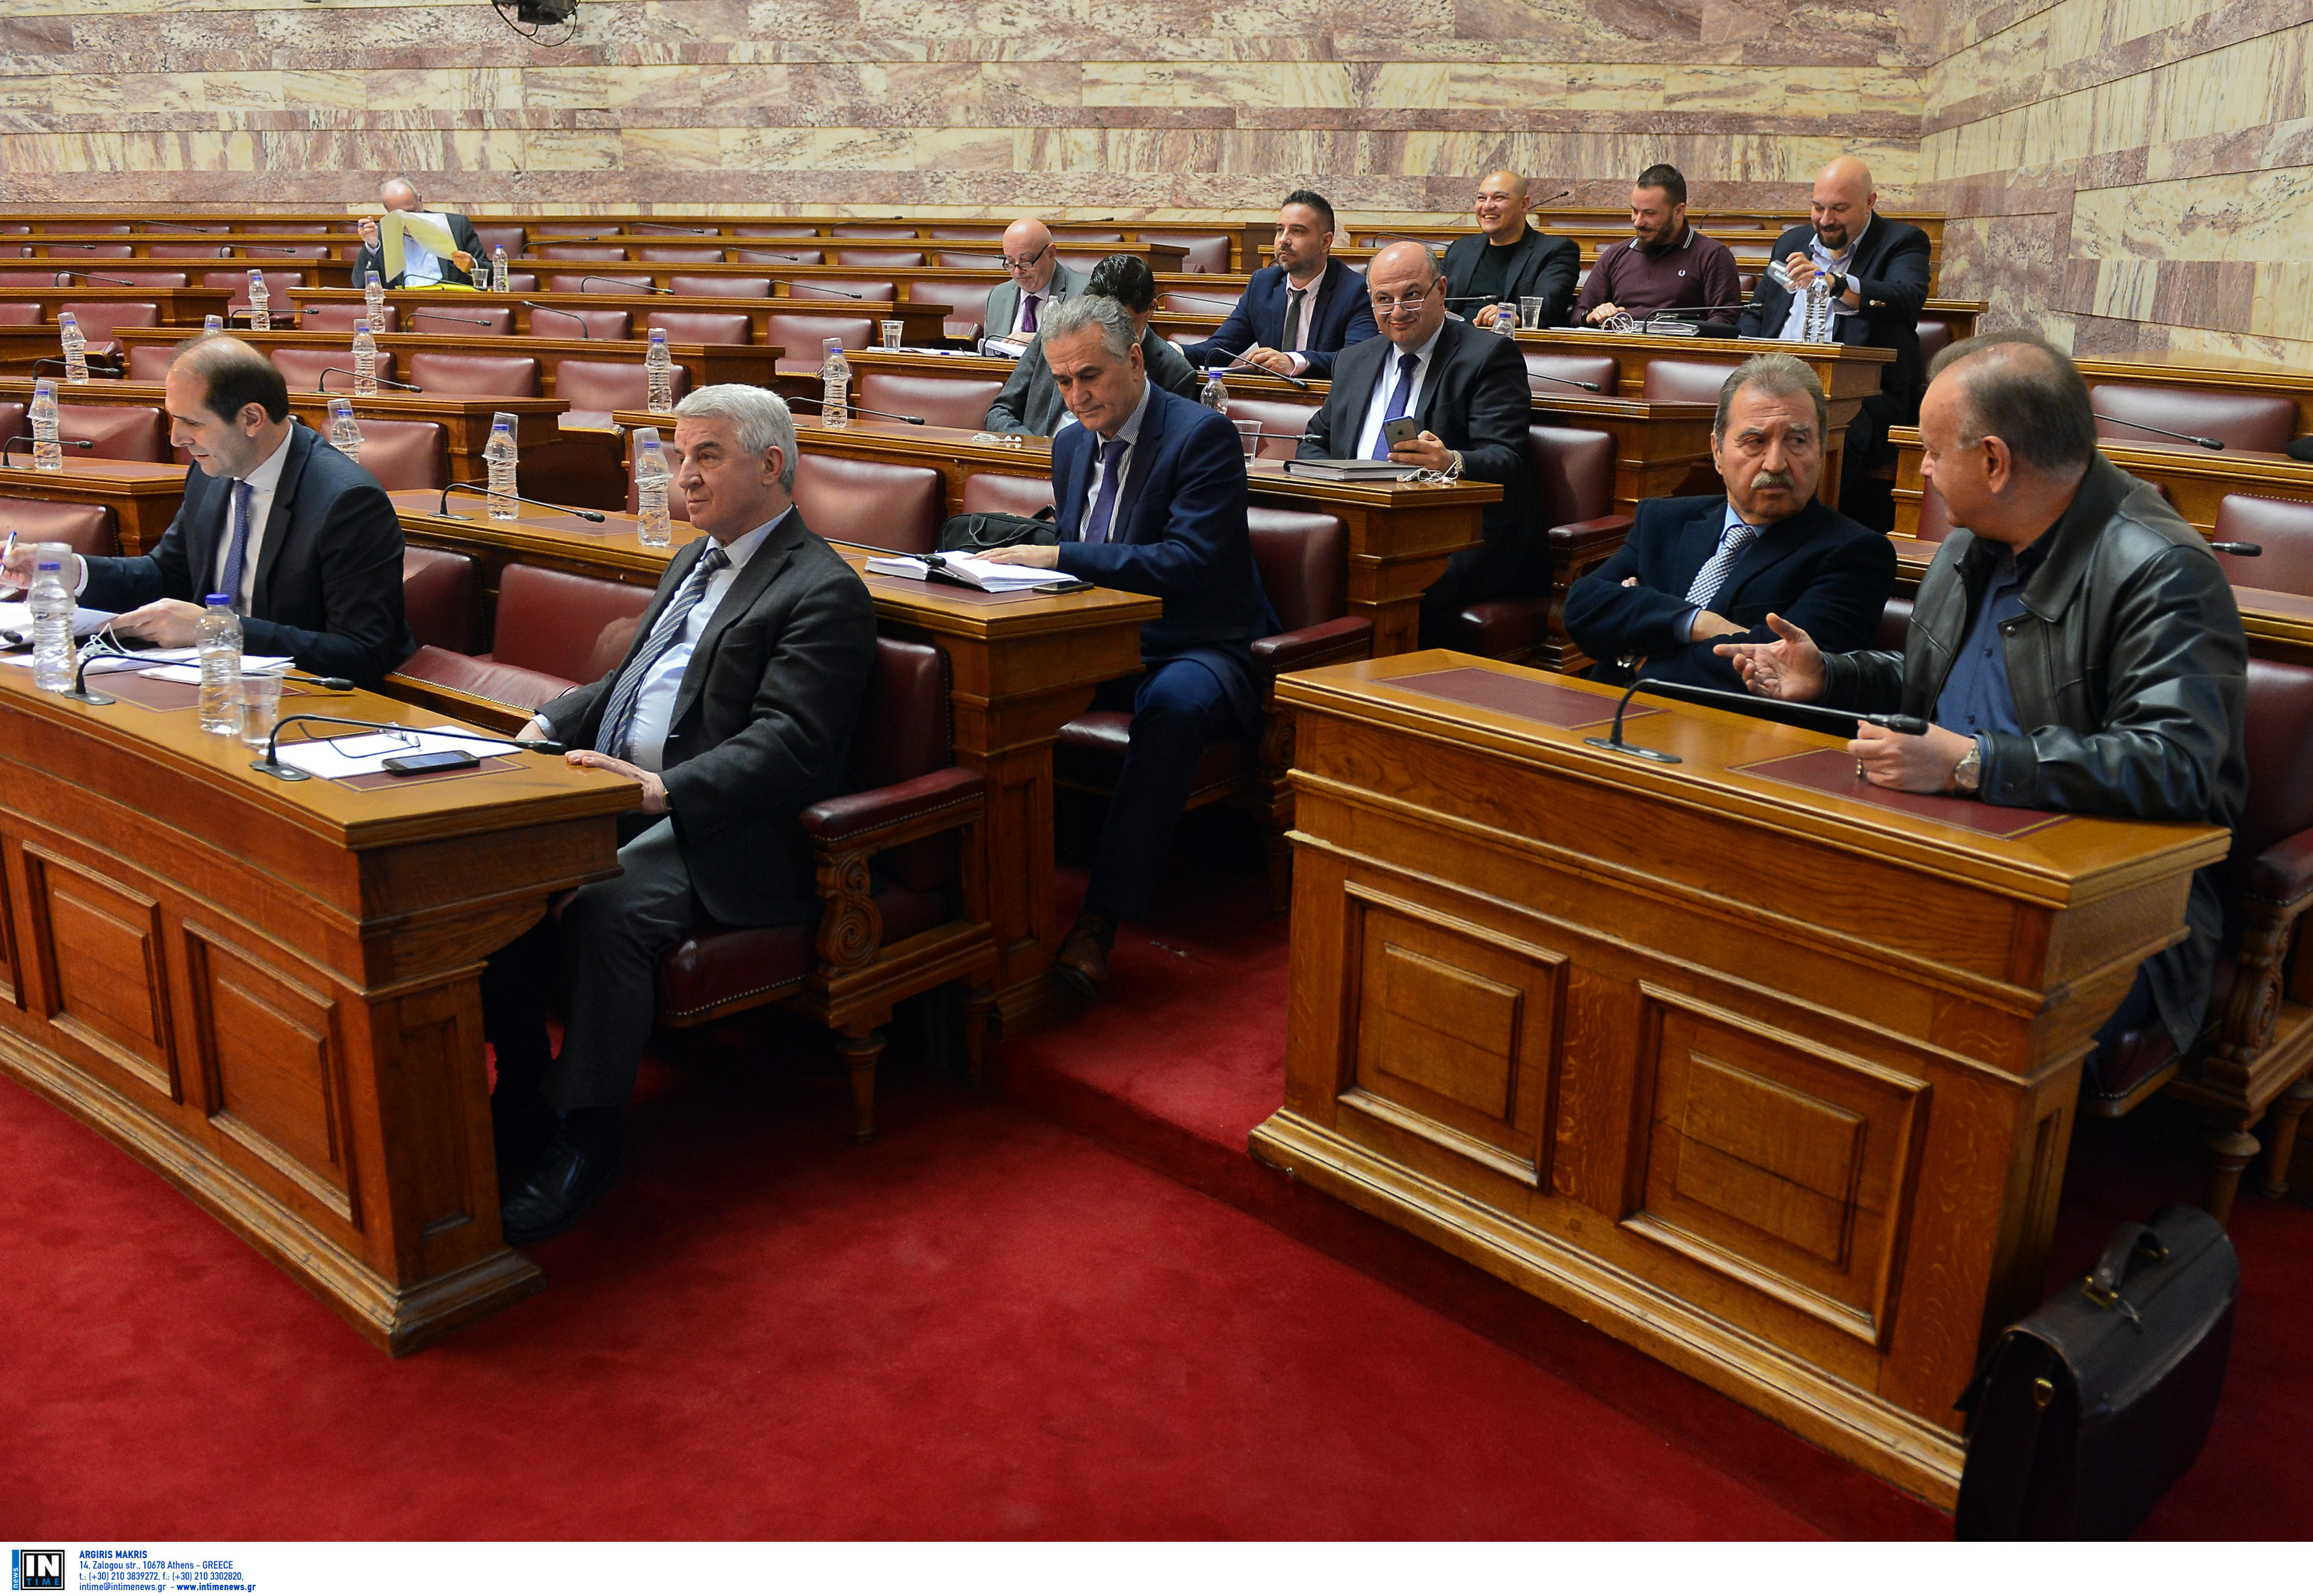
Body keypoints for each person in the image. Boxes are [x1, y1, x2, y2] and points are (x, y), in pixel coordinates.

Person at [1716, 336, 2247, 1106]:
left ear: (1994, 462)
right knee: (1753, 932)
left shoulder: (2161, 570)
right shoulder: (1973, 543)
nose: (1924, 471)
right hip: (1944, 850)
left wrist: (1974, 764)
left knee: (1907, 1015)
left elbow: (2176, 764)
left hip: (2110, 907)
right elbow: (1939, 686)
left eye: (1934, 452)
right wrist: (1832, 673)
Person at [484, 384, 879, 1244]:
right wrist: (550, 721)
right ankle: (521, 1095)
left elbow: (790, 743)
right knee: (490, 873)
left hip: (727, 828)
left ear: (770, 466)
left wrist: (665, 791)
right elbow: (635, 677)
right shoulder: (696, 558)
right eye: (678, 454)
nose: (682, 475)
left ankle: (586, 1138)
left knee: (607, 908)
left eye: (706, 455)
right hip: (622, 791)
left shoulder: (821, 589)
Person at [979, 296, 1272, 1000]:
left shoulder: (1201, 436)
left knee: (1172, 708)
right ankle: (992, 903)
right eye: (1063, 381)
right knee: (988, 688)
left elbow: (1186, 564)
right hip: (1097, 637)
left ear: (1135, 360)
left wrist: (1058, 558)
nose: (1076, 396)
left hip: (1195, 641)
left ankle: (1101, 919)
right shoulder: (1070, 444)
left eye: (1090, 376)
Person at [3, 336, 413, 685]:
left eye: (193, 423)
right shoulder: (211, 473)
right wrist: (71, 571)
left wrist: (214, 629)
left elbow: (361, 652)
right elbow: (169, 575)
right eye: (172, 419)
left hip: (306, 697)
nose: (177, 438)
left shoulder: (346, 501)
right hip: (211, 681)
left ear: (251, 418)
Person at [1564, 354, 1893, 693]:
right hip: (1606, 711)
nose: (1775, 463)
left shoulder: (1855, 553)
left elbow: (1778, 670)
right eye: (1755, 442)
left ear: (1822, 450)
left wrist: (1633, 654)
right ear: (1717, 451)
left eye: (1797, 441)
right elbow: (1582, 609)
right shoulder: (1664, 520)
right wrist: (1697, 622)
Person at [1297, 240, 1534, 644]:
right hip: (1361, 526)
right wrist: (1341, 483)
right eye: (1383, 300)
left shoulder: (1488, 355)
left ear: (1440, 291)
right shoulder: (1354, 360)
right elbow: (1313, 442)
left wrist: (1452, 461)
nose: (1398, 311)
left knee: (1383, 586)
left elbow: (1507, 460)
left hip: (1450, 537)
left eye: (1411, 295)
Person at [1738, 156, 1932, 515]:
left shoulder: (1902, 241)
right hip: (1774, 383)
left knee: (1817, 435)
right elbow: (1757, 313)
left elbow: (1906, 298)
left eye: (1839, 209)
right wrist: (1748, 359)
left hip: (1860, 396)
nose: (1826, 220)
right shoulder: (1792, 242)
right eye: (1818, 207)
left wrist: (1835, 283)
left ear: (1870, 202)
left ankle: (1797, 530)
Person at [984, 253, 1201, 436]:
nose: (1111, 334)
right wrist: (1036, 450)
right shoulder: (1055, 337)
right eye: (1100, 321)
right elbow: (1000, 412)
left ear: (1151, 309)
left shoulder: (1176, 373)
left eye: (1125, 323)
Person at [1180, 190, 1377, 380]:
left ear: (1326, 242)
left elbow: (1358, 360)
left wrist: (1295, 362)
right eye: (1280, 230)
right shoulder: (1263, 284)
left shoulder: (1354, 291)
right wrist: (1172, 352)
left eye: (1297, 231)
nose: (1283, 240)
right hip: (1270, 396)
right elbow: (1219, 349)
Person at [1572, 164, 1743, 328]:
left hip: (1678, 346)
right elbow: (1577, 313)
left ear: (1679, 211)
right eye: (1635, 211)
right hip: (1621, 343)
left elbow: (1725, 320)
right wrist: (1591, 316)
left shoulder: (1712, 256)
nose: (1638, 222)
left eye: (1649, 213)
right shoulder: (1616, 254)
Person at [1443, 170, 1580, 330]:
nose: (1487, 206)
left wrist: (1508, 315)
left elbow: (1548, 305)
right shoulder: (1460, 249)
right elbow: (1432, 298)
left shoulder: (1556, 250)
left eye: (1499, 198)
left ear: (1524, 205)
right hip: (1454, 338)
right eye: (1481, 198)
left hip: (1508, 341)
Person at [351, 178, 485, 289]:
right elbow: (360, 285)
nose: (407, 219)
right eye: (399, 215)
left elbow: (490, 273)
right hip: (404, 305)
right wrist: (372, 246)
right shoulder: (380, 234)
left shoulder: (457, 226)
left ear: (420, 200)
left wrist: (472, 266)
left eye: (411, 212)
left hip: (447, 303)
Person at [982, 217, 1090, 343]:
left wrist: (1038, 343)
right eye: (1010, 262)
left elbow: (1087, 347)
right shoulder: (998, 296)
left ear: (1051, 252)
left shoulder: (1083, 293)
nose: (1018, 272)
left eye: (1026, 262)